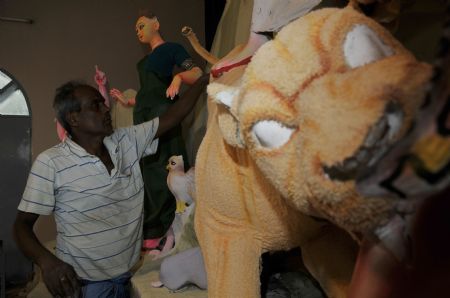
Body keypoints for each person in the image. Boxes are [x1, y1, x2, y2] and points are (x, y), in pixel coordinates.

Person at [13, 74, 209, 298]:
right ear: (73, 118)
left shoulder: (127, 140)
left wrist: (203, 80)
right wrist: (47, 262)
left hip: (125, 277)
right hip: (84, 286)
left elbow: (173, 116)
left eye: (103, 103)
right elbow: (21, 227)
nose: (106, 109)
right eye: (96, 105)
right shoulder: (51, 163)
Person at [110, 11, 203, 253]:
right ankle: (155, 229)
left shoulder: (172, 48)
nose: (139, 31)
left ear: (156, 24)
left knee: (168, 167)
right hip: (144, 118)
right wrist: (128, 101)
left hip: (165, 117)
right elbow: (147, 91)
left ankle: (173, 225)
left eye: (142, 25)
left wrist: (178, 78)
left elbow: (197, 73)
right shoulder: (144, 61)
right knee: (148, 171)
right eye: (136, 29)